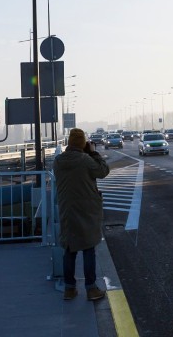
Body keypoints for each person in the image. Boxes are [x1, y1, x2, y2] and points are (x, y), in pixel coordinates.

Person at [53, 128, 110, 301]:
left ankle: (69, 289)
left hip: (66, 210)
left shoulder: (58, 161)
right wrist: (93, 153)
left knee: (69, 249)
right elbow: (103, 171)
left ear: (69, 142)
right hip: (86, 210)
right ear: (83, 143)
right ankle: (91, 289)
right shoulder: (85, 159)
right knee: (88, 248)